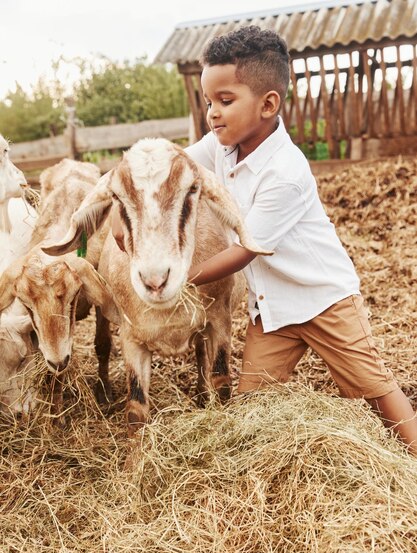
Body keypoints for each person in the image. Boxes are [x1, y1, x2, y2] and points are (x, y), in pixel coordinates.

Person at [113, 25, 417, 453]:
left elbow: (242, 251)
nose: (212, 113)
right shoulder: (221, 147)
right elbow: (172, 162)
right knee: (253, 404)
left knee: (374, 387)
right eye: (207, 102)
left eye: (225, 101)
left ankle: (412, 457)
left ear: (268, 104)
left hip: (324, 300)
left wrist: (178, 277)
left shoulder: (286, 173)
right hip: (272, 310)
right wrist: (122, 201)